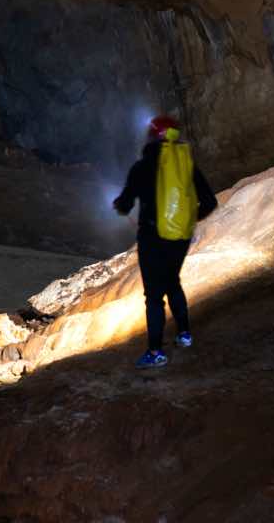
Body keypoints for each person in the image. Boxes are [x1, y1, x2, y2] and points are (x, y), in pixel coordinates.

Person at [113, 115, 218, 369]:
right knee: (173, 282)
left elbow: (125, 204)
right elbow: (210, 202)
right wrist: (188, 220)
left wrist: (119, 205)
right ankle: (184, 334)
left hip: (152, 238)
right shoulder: (186, 163)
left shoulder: (142, 166)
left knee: (154, 296)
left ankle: (155, 352)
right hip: (179, 238)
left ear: (151, 136)